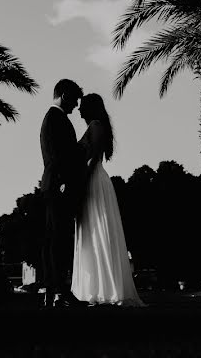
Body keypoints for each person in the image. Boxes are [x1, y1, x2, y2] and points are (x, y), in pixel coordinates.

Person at [71, 93, 145, 307]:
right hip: (98, 180)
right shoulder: (98, 125)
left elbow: (93, 158)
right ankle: (102, 285)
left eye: (82, 106)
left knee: (94, 229)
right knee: (96, 230)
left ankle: (100, 287)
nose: (79, 110)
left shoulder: (94, 125)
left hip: (93, 180)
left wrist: (82, 181)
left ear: (91, 108)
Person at [39, 79, 88, 308]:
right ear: (64, 95)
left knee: (56, 240)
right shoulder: (54, 120)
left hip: (58, 186)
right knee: (58, 240)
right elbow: (54, 156)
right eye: (74, 100)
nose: (76, 106)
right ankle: (58, 291)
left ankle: (55, 291)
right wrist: (62, 182)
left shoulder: (56, 119)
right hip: (59, 186)